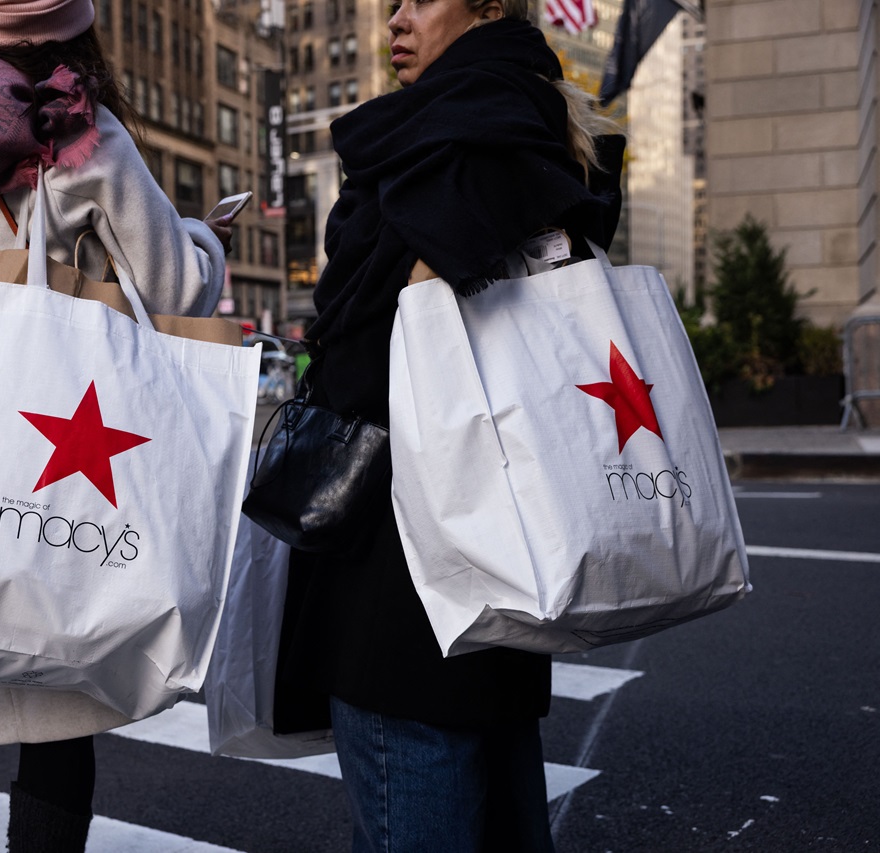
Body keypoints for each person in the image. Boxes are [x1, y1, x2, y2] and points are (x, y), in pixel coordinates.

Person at [0, 1, 236, 849]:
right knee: (61, 741)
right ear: (76, 32)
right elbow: (173, 292)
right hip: (67, 446)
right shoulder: (84, 128)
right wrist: (204, 241)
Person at [273, 1, 624, 850]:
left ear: (488, 5)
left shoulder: (455, 135)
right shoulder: (527, 117)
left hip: (403, 561)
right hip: (498, 546)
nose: (394, 19)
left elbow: (390, 351)